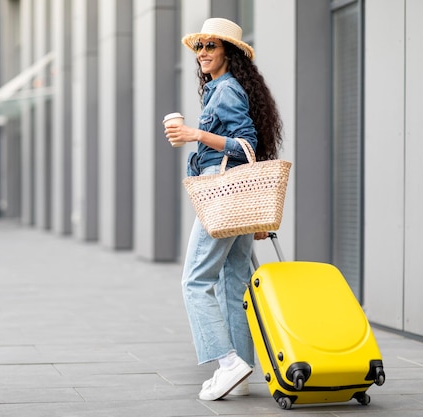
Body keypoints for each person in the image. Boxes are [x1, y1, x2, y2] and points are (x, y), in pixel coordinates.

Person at [164, 18, 283, 401]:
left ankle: (228, 362)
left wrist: (194, 135)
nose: (202, 53)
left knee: (195, 281)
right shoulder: (223, 89)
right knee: (235, 284)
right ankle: (242, 372)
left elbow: (245, 146)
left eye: (210, 46)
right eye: (199, 46)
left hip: (224, 192)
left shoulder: (226, 91)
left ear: (228, 52)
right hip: (238, 196)